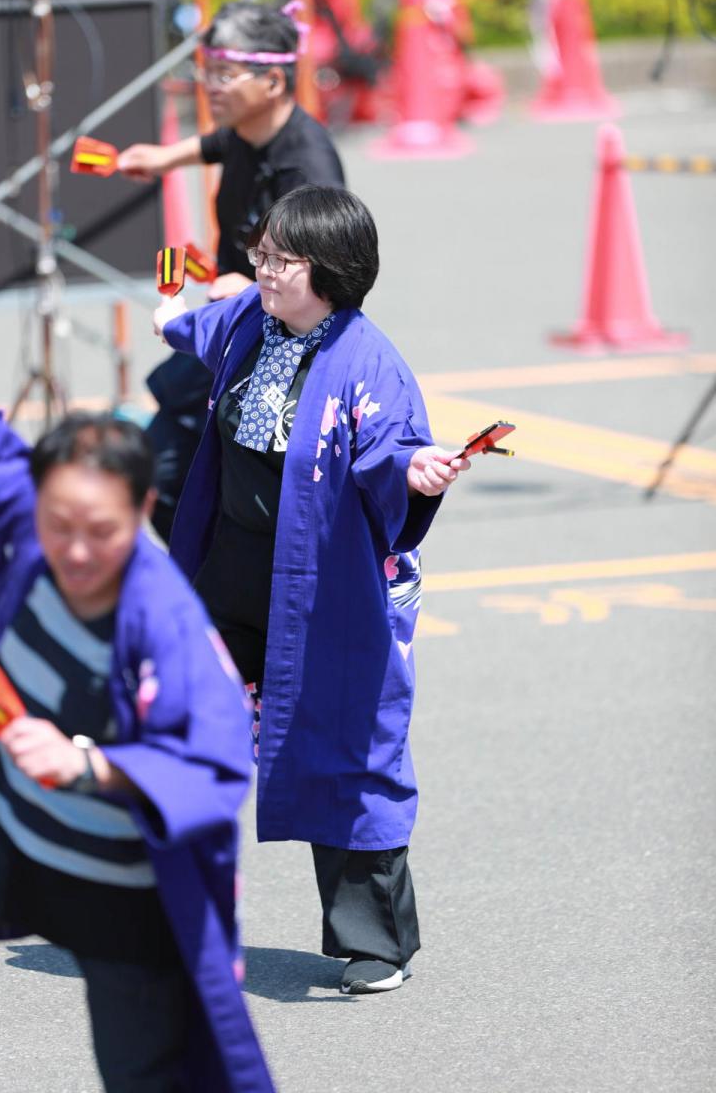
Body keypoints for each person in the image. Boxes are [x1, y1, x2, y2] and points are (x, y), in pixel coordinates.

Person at [152, 185, 471, 996]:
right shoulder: (250, 323)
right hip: (227, 569)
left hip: (320, 591)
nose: (260, 267)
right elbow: (196, 326)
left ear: (329, 270)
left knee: (347, 748)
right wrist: (168, 316)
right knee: (182, 726)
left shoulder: (369, 361)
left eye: (278, 258)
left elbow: (392, 451)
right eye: (259, 252)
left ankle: (374, 941)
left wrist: (414, 468)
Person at [0, 404, 274, 1092]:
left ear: (143, 506)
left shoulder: (163, 618)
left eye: (101, 532)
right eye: (59, 526)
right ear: (37, 494)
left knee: (145, 1073)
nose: (76, 551)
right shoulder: (28, 515)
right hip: (6, 831)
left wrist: (87, 764)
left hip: (119, 878)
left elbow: (216, 765)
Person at [118, 0, 346, 542]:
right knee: (169, 479)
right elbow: (219, 143)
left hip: (277, 356)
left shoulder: (306, 170)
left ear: (272, 80)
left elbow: (331, 278)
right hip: (233, 333)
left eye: (224, 75)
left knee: (192, 487)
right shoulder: (248, 131)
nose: (210, 87)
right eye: (207, 73)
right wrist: (164, 157)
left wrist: (249, 287)